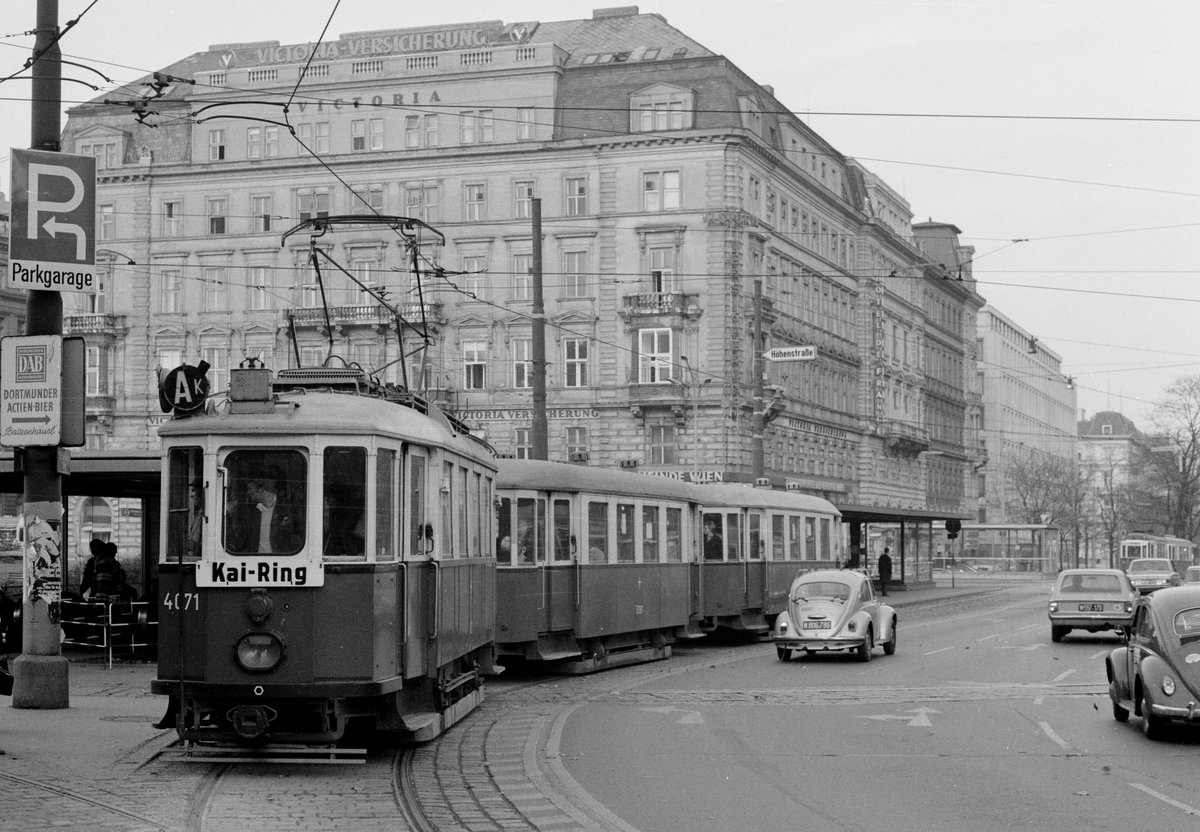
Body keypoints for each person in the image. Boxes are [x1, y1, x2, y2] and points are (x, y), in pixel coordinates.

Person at [232, 475, 300, 554]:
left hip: (281, 562)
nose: (248, 492)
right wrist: (232, 546)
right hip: (256, 560)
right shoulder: (252, 510)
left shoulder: (287, 507)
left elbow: (298, 535)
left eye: (250, 489)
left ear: (261, 490)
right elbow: (244, 536)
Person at [187, 478, 204, 557]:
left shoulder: (206, 515)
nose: (191, 495)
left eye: (193, 490)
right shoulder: (199, 514)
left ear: (202, 492)